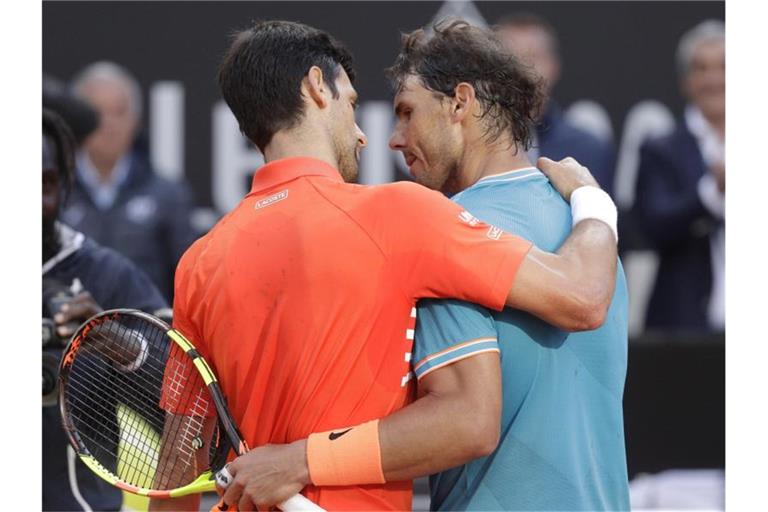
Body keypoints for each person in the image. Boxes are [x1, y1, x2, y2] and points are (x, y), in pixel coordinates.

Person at [149, 20, 619, 512]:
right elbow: (582, 296)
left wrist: (294, 460)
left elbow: (180, 463)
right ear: (316, 87)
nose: (363, 135)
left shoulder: (199, 263)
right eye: (352, 104)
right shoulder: (398, 215)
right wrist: (592, 203)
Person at [43, 107, 168, 510]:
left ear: (64, 187)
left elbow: (191, 410)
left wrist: (122, 346)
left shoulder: (104, 275)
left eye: (44, 182)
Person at [62, 61, 196, 302]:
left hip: (147, 333)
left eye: (119, 112)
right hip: (68, 335)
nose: (109, 125)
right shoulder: (54, 193)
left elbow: (189, 283)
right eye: (97, 113)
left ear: (135, 120)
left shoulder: (168, 195)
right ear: (76, 120)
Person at [633, 20, 725, 332]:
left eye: (725, 67)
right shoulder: (661, 149)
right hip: (685, 328)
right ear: (686, 81)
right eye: (702, 68)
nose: (715, 79)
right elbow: (654, 225)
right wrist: (713, 191)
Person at [495, 12, 616, 195]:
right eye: (509, 59)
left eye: (532, 57)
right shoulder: (471, 149)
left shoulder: (589, 150)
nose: (521, 69)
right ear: (488, 69)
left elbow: (602, 219)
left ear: (554, 65)